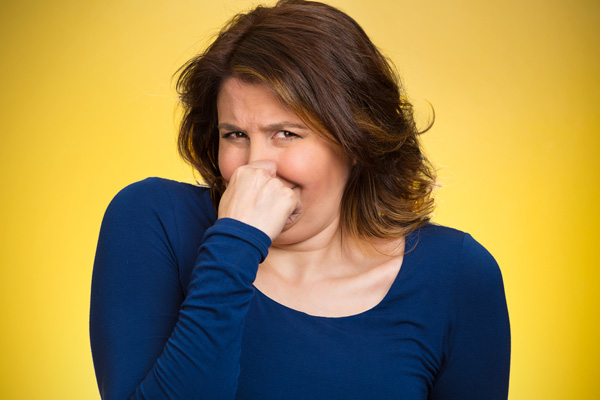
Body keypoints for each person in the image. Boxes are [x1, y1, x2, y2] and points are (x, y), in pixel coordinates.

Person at [90, 0, 511, 398]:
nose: (256, 167)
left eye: (286, 134)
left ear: (354, 141)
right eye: (235, 135)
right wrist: (235, 242)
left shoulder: (457, 275)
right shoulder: (154, 221)